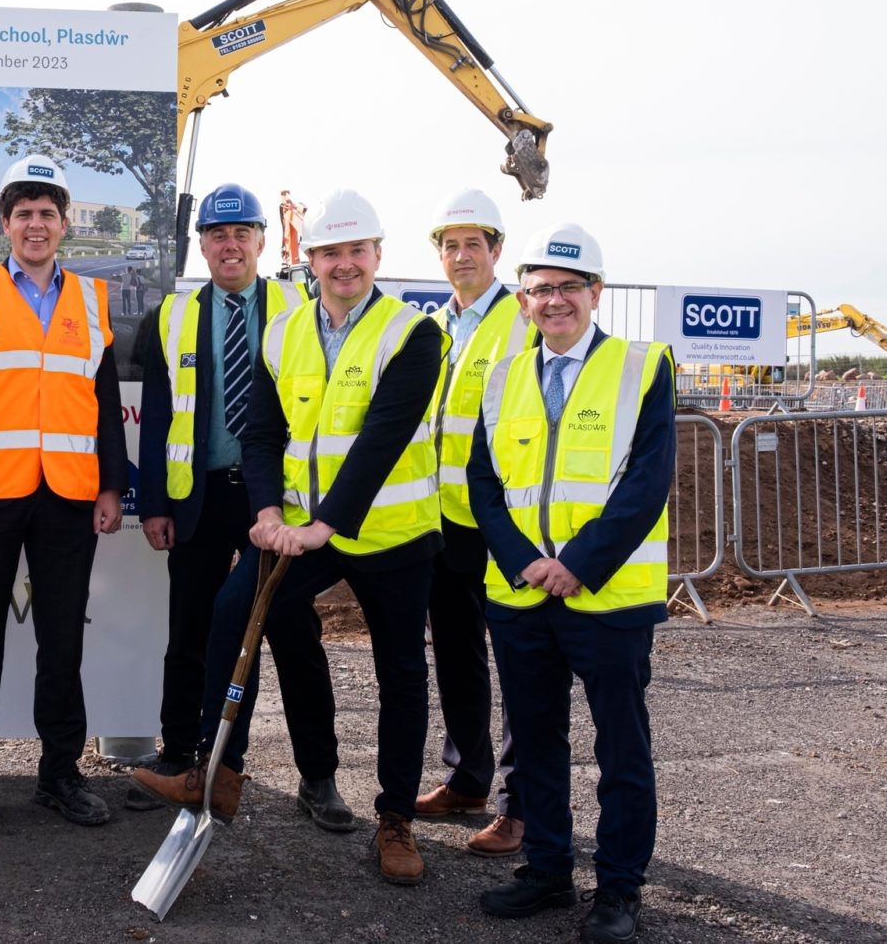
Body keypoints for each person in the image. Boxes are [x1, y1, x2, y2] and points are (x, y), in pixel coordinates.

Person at [133, 190, 445, 885]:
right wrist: (270, 512)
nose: (343, 264)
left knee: (400, 674)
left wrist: (322, 524)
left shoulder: (412, 334)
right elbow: (264, 433)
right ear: (311, 259)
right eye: (330, 253)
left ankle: (395, 818)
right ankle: (218, 772)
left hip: (391, 533)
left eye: (356, 251)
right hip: (302, 524)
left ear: (377, 255)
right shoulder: (287, 331)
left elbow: (381, 441)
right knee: (230, 611)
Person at [469, 223, 675, 943]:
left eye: (568, 288)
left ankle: (619, 889)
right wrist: (526, 561)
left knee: (621, 749)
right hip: (522, 595)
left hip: (607, 598)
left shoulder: (642, 367)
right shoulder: (502, 377)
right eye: (540, 290)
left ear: (596, 293)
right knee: (535, 742)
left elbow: (646, 482)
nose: (554, 301)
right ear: (522, 300)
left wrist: (579, 564)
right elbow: (484, 485)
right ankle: (548, 871)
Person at [132, 183, 351, 831]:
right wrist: (155, 503)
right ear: (201, 245)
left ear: (261, 240)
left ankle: (319, 777)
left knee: (293, 635)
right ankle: (182, 758)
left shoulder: (299, 307)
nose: (229, 245)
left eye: (241, 234)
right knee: (190, 632)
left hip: (274, 501)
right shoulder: (171, 317)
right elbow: (156, 416)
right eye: (217, 235)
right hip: (197, 499)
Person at [0, 154, 126, 837]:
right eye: (22, 214)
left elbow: (104, 402)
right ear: (5, 223)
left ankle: (59, 775)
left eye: (46, 213)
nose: (35, 225)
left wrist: (110, 483)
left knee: (62, 643)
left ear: (64, 223)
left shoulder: (92, 299)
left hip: (68, 496)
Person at [415, 189, 533, 856]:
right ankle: (467, 780)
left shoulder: (523, 321)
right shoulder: (434, 327)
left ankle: (521, 806)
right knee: (457, 653)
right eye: (450, 246)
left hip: (505, 522)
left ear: (497, 251)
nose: (461, 256)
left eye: (473, 245)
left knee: (519, 664)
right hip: (443, 521)